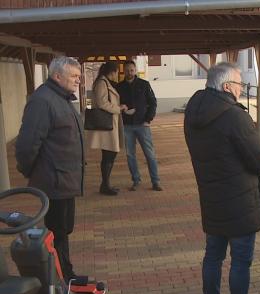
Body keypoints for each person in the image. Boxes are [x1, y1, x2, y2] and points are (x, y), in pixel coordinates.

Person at [184, 62, 260, 294]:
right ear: (225, 87)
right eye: (238, 84)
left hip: (211, 196)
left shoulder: (194, 110)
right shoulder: (234, 116)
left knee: (213, 256)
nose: (241, 89)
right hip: (239, 200)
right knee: (240, 261)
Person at [15, 56, 83, 281]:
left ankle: (66, 273)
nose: (78, 81)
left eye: (79, 76)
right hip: (54, 180)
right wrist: (30, 171)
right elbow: (27, 144)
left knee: (63, 230)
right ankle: (61, 278)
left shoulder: (61, 98)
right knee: (57, 232)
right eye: (74, 76)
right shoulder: (43, 101)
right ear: (57, 76)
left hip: (65, 179)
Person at [117, 60, 162, 192]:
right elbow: (115, 104)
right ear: (123, 71)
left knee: (150, 154)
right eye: (127, 70)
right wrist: (122, 109)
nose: (129, 72)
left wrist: (148, 119)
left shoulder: (144, 84)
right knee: (130, 155)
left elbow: (153, 103)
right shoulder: (119, 87)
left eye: (131, 70)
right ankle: (136, 180)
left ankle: (156, 181)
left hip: (143, 124)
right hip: (127, 125)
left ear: (135, 70)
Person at [86, 61, 127, 196]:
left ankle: (106, 184)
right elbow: (102, 103)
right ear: (112, 72)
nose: (117, 75)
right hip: (107, 125)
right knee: (109, 155)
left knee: (109, 155)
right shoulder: (102, 83)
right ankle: (105, 185)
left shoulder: (104, 82)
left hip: (109, 125)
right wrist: (118, 108)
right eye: (117, 72)